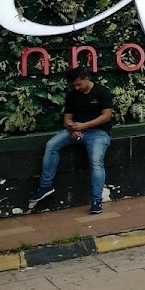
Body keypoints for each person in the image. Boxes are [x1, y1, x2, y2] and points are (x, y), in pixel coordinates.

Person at [28, 67, 114, 214]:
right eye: (74, 85)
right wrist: (72, 129)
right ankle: (45, 186)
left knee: (96, 162)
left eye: (79, 84)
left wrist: (84, 125)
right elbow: (67, 118)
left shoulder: (102, 92)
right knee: (51, 145)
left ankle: (96, 201)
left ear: (86, 78)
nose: (76, 88)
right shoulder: (73, 95)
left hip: (99, 133)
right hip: (77, 130)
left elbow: (106, 116)